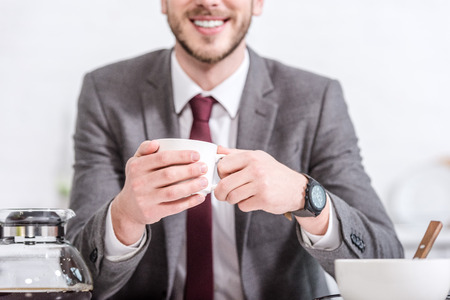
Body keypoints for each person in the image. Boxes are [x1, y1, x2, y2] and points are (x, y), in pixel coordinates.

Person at [67, 0, 404, 299]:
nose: (209, 3)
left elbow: (387, 264)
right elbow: (76, 277)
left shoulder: (315, 100)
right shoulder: (106, 94)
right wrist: (124, 216)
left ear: (258, 2)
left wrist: (306, 197)